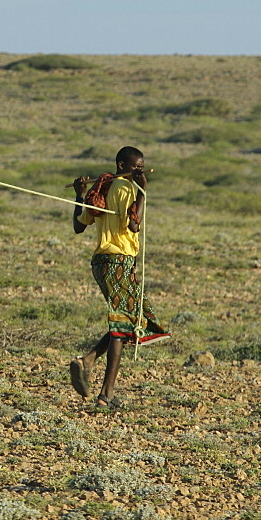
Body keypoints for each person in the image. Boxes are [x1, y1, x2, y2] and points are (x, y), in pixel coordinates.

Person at [68, 147, 170, 408]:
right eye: (136, 167)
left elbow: (79, 226)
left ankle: (92, 368)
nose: (139, 170)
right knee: (122, 324)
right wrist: (142, 191)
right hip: (119, 260)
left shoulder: (100, 188)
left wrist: (79, 195)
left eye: (142, 167)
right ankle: (104, 392)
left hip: (102, 261)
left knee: (126, 320)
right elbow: (134, 225)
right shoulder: (124, 188)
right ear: (122, 164)